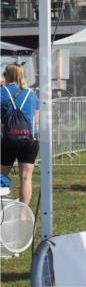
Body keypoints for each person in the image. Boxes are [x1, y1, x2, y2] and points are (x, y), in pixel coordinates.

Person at [1, 63, 40, 204]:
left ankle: (2, 209)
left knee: (1, 175)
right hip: (29, 141)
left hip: (8, 140)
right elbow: (36, 119)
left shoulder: (2, 92)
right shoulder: (32, 95)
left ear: (7, 75)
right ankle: (24, 215)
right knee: (26, 178)